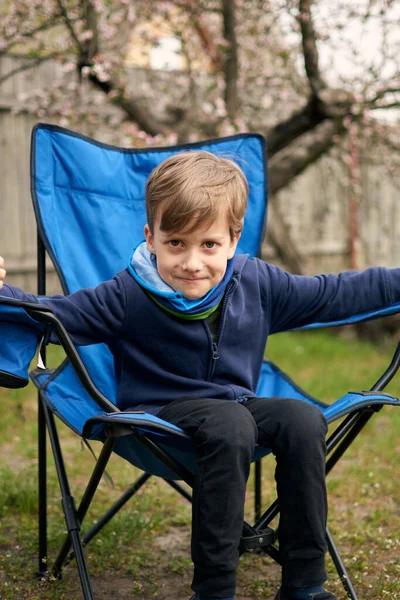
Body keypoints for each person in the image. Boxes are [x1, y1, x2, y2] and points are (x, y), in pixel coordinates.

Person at [1, 151, 399, 600]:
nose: (192, 263)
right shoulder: (127, 295)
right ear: (151, 237)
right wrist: (2, 293)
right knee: (231, 424)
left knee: (302, 419)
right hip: (159, 417)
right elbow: (53, 315)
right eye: (176, 244)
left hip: (238, 409)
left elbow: (336, 293)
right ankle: (213, 590)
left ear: (232, 240)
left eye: (208, 245)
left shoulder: (257, 283)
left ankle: (305, 582)